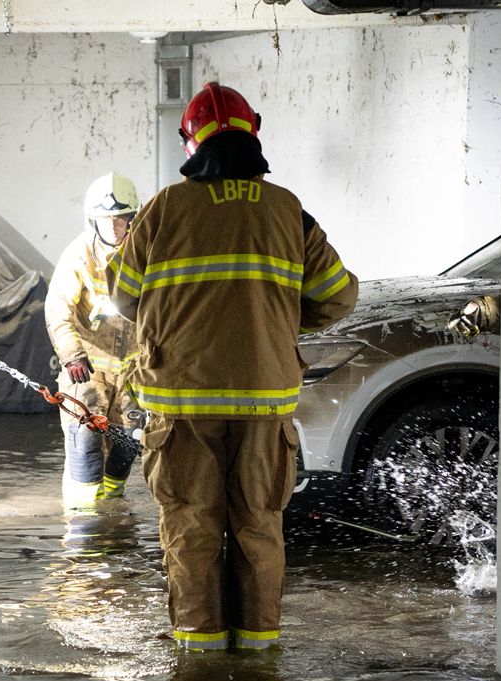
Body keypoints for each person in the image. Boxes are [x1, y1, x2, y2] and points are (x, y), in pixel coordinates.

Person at [107, 82, 358, 652]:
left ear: (190, 143)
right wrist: (276, 323)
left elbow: (122, 296)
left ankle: (198, 666)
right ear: (253, 133)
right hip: (264, 406)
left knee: (191, 529)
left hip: (181, 407)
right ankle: (259, 663)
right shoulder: (289, 211)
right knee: (259, 528)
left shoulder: (163, 209)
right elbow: (338, 297)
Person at [44, 172, 145, 510]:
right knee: (84, 443)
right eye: (106, 219)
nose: (114, 226)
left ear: (132, 217)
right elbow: (58, 307)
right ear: (93, 219)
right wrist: (71, 354)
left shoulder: (146, 252)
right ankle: (83, 520)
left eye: (120, 218)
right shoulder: (79, 254)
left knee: (127, 445)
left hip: (134, 375)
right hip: (87, 372)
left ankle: (113, 514)